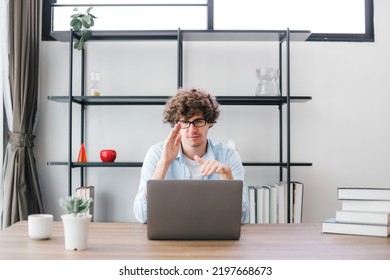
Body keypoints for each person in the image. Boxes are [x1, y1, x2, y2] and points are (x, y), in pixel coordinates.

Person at [133, 87, 249, 223]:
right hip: (170, 236)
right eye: (185, 122)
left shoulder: (228, 155)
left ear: (209, 122)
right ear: (176, 125)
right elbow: (142, 216)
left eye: (198, 121)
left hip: (215, 237)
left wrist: (227, 177)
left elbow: (241, 218)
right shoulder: (157, 153)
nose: (192, 129)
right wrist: (164, 162)